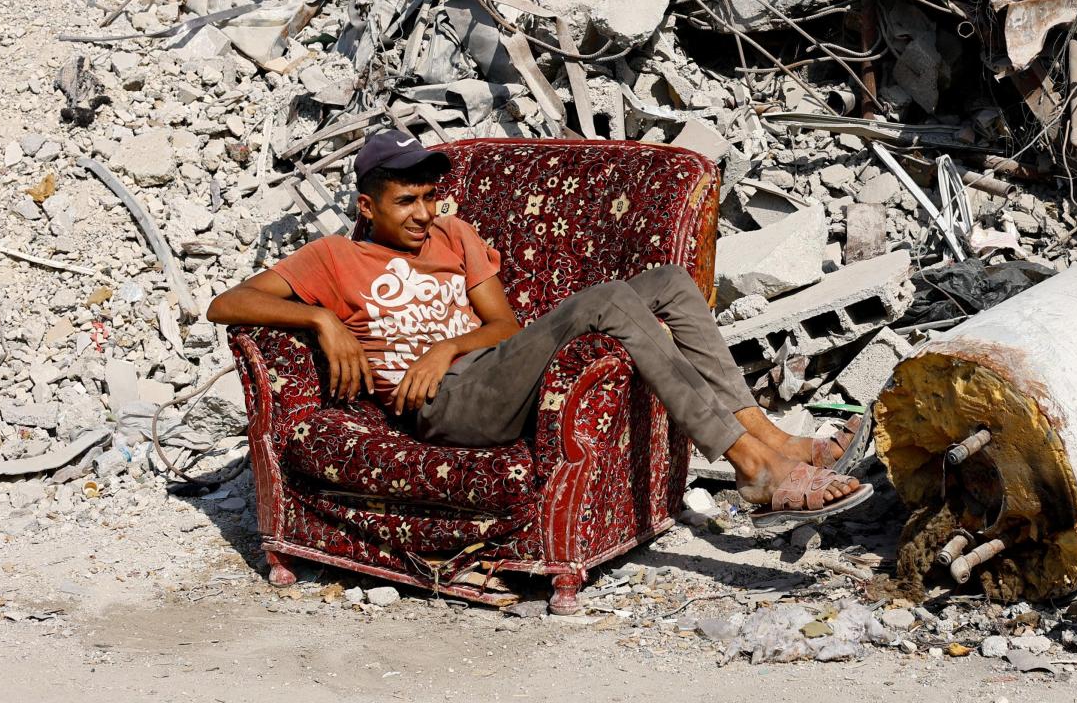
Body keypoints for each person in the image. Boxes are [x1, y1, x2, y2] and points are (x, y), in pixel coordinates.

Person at [208, 130, 870, 528]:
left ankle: (774, 441)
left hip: (487, 373)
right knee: (609, 300)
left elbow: (503, 323)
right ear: (366, 205)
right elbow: (226, 304)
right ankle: (751, 467)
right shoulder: (334, 258)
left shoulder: (453, 235)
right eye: (404, 201)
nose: (422, 214)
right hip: (448, 410)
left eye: (429, 197)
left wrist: (445, 346)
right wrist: (321, 317)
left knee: (668, 281)